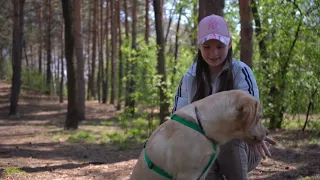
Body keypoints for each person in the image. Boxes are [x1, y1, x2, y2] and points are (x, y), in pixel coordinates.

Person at [171, 14, 276, 180]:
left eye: (220, 46)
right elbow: (178, 121)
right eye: (207, 47)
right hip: (202, 149)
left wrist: (254, 132)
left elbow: (250, 115)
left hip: (241, 145)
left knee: (228, 140)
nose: (214, 53)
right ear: (199, 46)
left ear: (230, 43)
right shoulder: (189, 78)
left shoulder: (241, 72)